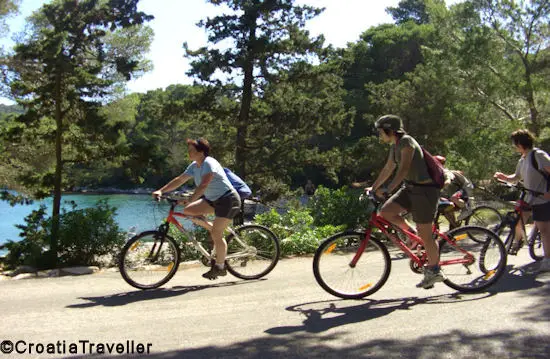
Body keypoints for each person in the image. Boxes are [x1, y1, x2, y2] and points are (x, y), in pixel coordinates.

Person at [364, 114, 445, 289]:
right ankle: (413, 235)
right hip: (410, 188)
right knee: (386, 211)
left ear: (390, 130)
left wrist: (388, 189)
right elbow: (388, 168)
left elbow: (403, 169)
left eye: (381, 131)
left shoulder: (407, 142)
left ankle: (435, 270)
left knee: (426, 233)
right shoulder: (395, 146)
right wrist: (374, 187)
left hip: (425, 190)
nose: (380, 135)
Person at [152, 138, 241, 280]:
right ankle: (213, 230)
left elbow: (204, 185)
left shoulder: (209, 163)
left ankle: (220, 267)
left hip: (227, 200)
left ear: (201, 152)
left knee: (217, 234)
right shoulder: (194, 165)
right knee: (188, 211)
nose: (189, 154)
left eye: (191, 151)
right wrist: (161, 191)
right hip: (212, 200)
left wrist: (190, 199)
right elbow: (180, 180)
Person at [494, 129, 550, 272]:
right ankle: (518, 242)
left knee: (544, 230)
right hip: (527, 196)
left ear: (520, 143)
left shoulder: (538, 155)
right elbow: (516, 177)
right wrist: (504, 177)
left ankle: (547, 260)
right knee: (517, 220)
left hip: (541, 197)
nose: (514, 146)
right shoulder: (523, 159)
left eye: (515, 143)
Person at [434, 155, 473, 229]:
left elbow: (449, 180)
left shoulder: (446, 172)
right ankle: (454, 226)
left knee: (453, 198)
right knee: (446, 206)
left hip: (465, 187)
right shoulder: (439, 173)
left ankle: (467, 209)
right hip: (457, 189)